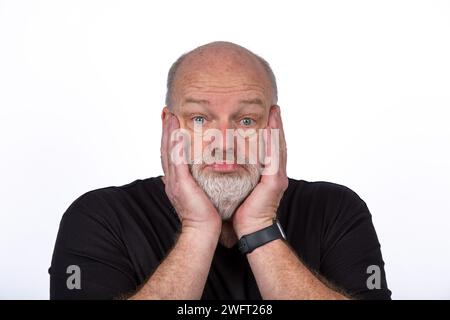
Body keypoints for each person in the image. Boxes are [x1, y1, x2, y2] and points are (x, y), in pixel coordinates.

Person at [49, 41, 391, 300]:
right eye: (200, 119)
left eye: (245, 120)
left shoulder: (335, 210)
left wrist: (260, 228)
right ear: (170, 127)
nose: (224, 142)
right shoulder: (98, 217)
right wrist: (198, 229)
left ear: (273, 126)